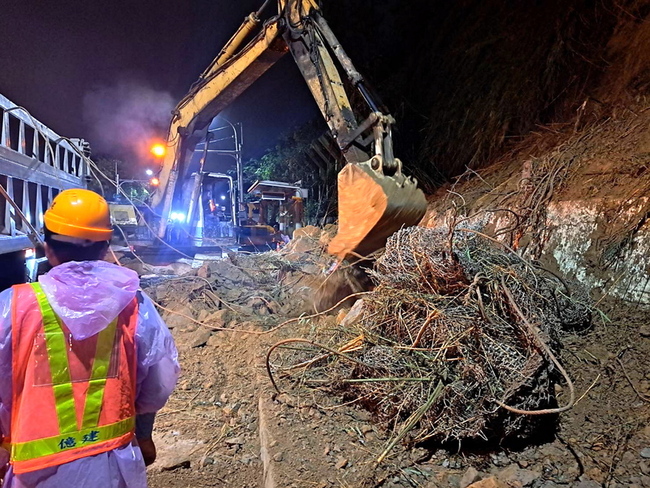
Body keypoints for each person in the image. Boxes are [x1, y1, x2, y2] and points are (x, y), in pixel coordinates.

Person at [0, 189, 180, 487]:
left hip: (33, 471)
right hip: (112, 465)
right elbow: (158, 383)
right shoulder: (133, 304)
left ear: (47, 246)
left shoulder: (11, 306)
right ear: (104, 248)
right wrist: (144, 434)